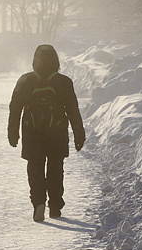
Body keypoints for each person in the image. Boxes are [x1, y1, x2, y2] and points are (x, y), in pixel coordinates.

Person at [8, 44, 86, 222]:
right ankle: (55, 205)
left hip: (32, 132)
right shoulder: (64, 82)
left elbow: (15, 108)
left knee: (35, 167)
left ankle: (38, 203)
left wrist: (12, 132)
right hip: (56, 132)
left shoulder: (26, 81)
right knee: (55, 168)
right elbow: (73, 109)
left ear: (35, 61)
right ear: (56, 61)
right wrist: (79, 133)